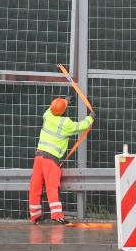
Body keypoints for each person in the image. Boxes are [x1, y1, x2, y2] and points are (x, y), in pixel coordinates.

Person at [28, 96, 95, 225]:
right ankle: (57, 216)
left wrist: (65, 101)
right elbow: (81, 126)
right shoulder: (66, 123)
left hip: (38, 157)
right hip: (50, 159)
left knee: (35, 187)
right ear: (64, 111)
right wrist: (91, 117)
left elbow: (53, 108)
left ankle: (35, 216)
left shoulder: (47, 115)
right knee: (52, 187)